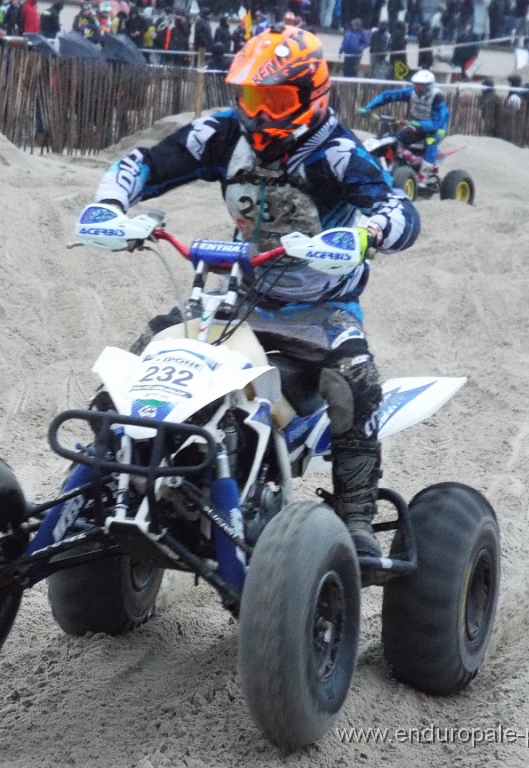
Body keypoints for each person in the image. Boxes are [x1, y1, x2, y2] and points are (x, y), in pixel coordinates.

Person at [87, 24, 420, 559]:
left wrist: (365, 233)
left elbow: (400, 210)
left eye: (274, 99)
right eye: (249, 97)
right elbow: (147, 163)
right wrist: (109, 204)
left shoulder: (334, 152)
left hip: (321, 308)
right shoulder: (222, 134)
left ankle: (355, 515)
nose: (259, 113)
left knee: (354, 380)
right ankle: (104, 471)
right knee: (144, 355)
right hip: (241, 299)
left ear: (311, 96)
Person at [358, 68, 450, 188]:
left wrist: (420, 124)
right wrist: (368, 107)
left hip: (437, 129)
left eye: (421, 86)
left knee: (430, 141)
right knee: (398, 138)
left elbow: (439, 122)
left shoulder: (438, 99)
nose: (417, 88)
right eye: (416, 85)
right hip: (417, 125)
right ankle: (400, 164)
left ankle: (424, 175)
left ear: (428, 86)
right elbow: (387, 96)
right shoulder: (411, 93)